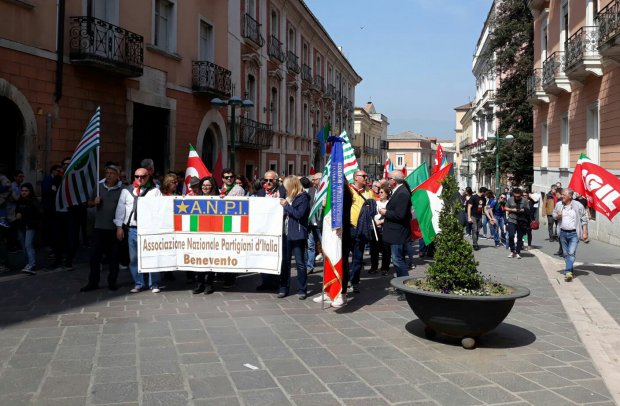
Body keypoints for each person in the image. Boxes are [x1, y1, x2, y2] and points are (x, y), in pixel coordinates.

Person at [114, 167, 162, 293]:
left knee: (152, 256)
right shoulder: (126, 191)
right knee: (134, 258)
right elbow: (120, 209)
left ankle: (154, 283)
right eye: (137, 176)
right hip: (133, 229)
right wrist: (119, 227)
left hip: (150, 229)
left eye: (143, 176)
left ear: (148, 177)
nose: (139, 179)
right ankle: (139, 283)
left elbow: (161, 209)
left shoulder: (155, 191)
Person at [81, 164, 124, 291]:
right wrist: (94, 202)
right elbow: (87, 203)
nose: (109, 175)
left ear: (117, 175)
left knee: (114, 258)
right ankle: (93, 282)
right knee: (95, 257)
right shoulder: (99, 187)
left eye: (112, 173)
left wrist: (121, 227)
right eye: (107, 173)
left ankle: (112, 282)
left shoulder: (123, 189)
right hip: (99, 228)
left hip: (114, 228)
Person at [379, 170, 412, 301]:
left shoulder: (403, 193)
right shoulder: (398, 191)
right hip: (395, 232)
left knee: (398, 260)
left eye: (389, 178)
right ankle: (401, 287)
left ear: (394, 180)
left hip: (398, 233)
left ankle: (406, 289)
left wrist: (385, 212)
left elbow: (400, 215)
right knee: (398, 260)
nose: (387, 180)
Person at [278, 176, 310, 299]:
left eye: (286, 187)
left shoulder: (303, 198)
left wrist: (286, 206)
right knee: (284, 262)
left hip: (297, 234)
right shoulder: (287, 196)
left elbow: (299, 215)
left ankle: (302, 289)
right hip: (285, 233)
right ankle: (283, 287)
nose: (284, 189)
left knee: (300, 263)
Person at [255, 170, 287, 291]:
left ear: (276, 181)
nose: (268, 182)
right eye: (266, 180)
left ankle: (277, 282)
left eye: (271, 180)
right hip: (263, 231)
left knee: (278, 257)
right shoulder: (260, 193)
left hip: (278, 231)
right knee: (263, 256)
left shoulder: (283, 191)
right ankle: (265, 281)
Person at [348, 170, 377, 293]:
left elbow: (374, 208)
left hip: (362, 229)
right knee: (343, 257)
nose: (366, 177)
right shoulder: (348, 190)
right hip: (349, 228)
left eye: (366, 175)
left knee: (358, 258)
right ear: (356, 178)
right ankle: (343, 281)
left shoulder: (369, 192)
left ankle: (354, 281)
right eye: (363, 176)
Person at [553, 188, 588, 282]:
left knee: (571, 253)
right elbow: (554, 214)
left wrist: (585, 232)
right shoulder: (559, 205)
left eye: (564, 195)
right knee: (565, 254)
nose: (561, 196)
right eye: (562, 194)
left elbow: (584, 219)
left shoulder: (578, 205)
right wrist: (558, 216)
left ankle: (568, 272)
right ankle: (570, 268)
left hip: (574, 233)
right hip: (563, 232)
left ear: (570, 196)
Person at [193, 176, 219, 295]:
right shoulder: (195, 199)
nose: (205, 187)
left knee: (210, 259)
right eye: (203, 185)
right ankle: (199, 284)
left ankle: (209, 284)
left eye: (208, 185)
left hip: (213, 234)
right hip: (199, 234)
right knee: (199, 259)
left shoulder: (218, 199)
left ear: (212, 186)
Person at [15, 183, 41, 275]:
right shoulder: (20, 201)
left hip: (30, 227)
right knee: (24, 247)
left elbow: (37, 215)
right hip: (21, 226)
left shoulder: (33, 202)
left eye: (26, 191)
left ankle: (32, 265)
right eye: (22, 190)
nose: (24, 192)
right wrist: (18, 214)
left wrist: (26, 219)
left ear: (30, 191)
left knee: (28, 245)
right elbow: (17, 211)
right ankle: (28, 264)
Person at [305, 173, 323, 274]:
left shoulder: (326, 191)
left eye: (314, 179)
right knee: (310, 246)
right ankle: (310, 266)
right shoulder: (310, 191)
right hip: (311, 224)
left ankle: (328, 268)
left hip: (321, 225)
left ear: (320, 180)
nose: (312, 181)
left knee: (325, 247)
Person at [505, 188, 530, 259]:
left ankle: (518, 252)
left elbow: (528, 210)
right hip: (511, 219)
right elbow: (506, 208)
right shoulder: (510, 199)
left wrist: (521, 210)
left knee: (520, 237)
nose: (516, 198)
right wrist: (512, 210)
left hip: (521, 221)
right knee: (511, 235)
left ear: (521, 195)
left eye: (518, 196)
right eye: (515, 196)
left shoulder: (524, 200)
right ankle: (512, 251)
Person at [373, 183, 392, 276]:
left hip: (385, 228)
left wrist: (381, 222)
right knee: (375, 249)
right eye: (379, 192)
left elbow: (390, 216)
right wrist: (375, 222)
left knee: (386, 249)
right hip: (375, 228)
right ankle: (374, 267)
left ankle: (385, 267)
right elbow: (372, 214)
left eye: (382, 192)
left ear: (387, 194)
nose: (379, 194)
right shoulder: (376, 203)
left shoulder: (390, 203)